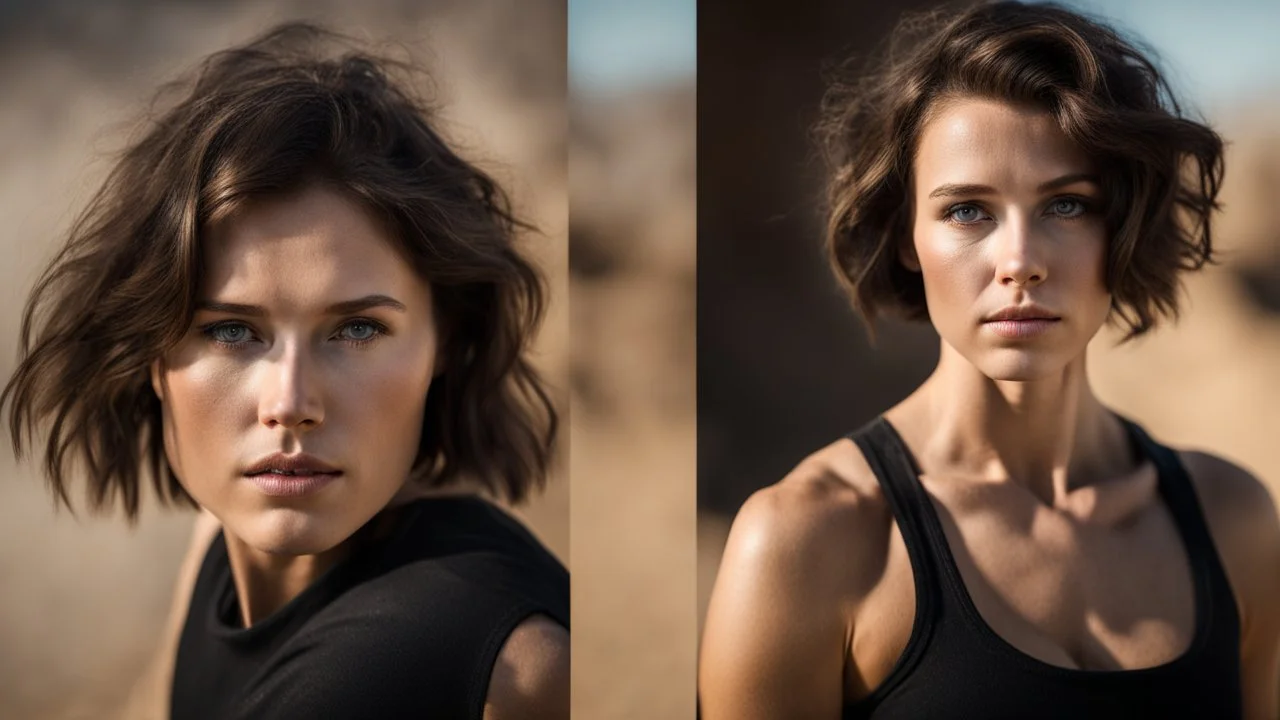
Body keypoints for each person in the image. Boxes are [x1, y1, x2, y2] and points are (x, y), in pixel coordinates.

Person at [699, 2, 1280, 718]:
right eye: (967, 210)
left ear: (1122, 225)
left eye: (1067, 205)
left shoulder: (1235, 521)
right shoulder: (804, 541)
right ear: (908, 236)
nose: (1020, 262)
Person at [1, 23, 568, 720]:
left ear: (443, 342)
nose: (290, 403)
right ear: (150, 352)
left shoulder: (447, 661)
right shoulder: (221, 543)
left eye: (358, 329)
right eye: (232, 331)